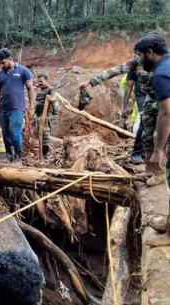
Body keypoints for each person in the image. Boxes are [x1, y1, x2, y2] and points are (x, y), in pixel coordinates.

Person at [79, 55, 150, 165]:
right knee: (144, 124)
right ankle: (139, 154)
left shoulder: (164, 62)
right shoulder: (137, 63)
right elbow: (117, 73)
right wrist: (91, 81)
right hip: (145, 100)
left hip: (162, 98)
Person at [135, 33, 170, 203]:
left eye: (140, 55)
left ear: (149, 52)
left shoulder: (161, 74)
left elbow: (166, 113)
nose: (140, 60)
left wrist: (158, 151)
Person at [0, 48, 36, 164]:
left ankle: (18, 156)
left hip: (17, 108)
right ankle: (9, 155)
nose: (1, 65)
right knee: (5, 134)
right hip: (3, 109)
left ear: (10, 59)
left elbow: (30, 89)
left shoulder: (23, 71)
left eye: (3, 62)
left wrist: (32, 107)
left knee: (15, 133)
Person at [33, 73, 58, 157]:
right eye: (38, 81)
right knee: (38, 132)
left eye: (41, 81)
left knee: (45, 132)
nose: (39, 83)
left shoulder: (50, 89)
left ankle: (45, 152)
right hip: (38, 114)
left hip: (46, 114)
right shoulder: (39, 89)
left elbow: (54, 97)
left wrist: (50, 99)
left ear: (46, 80)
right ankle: (40, 151)